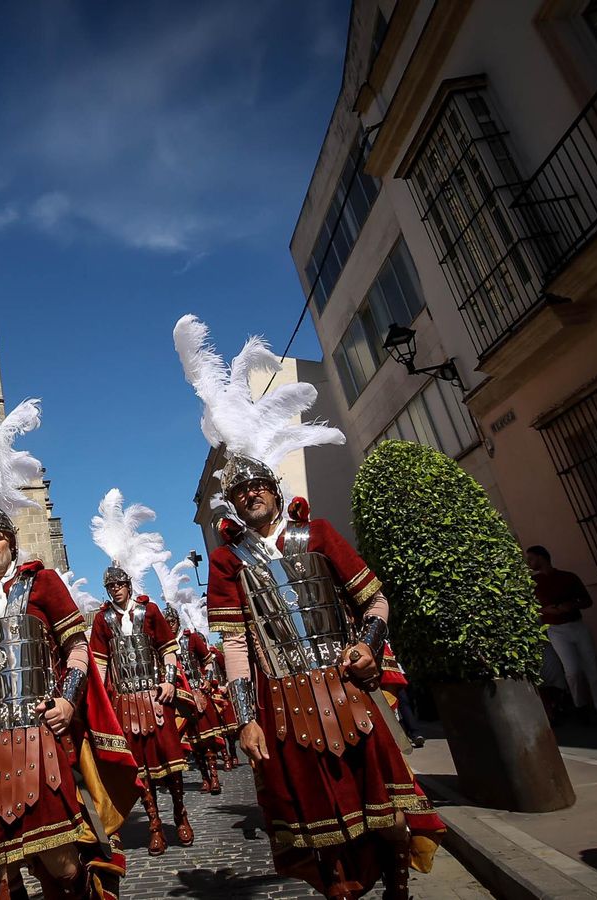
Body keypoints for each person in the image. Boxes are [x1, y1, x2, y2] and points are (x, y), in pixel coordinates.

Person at [175, 314, 443, 899]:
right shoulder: (225, 562)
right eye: (241, 492)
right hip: (283, 698)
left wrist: (368, 647)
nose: (251, 496)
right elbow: (238, 647)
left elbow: (374, 599)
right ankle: (341, 889)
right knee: (317, 821)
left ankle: (398, 888)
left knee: (384, 805)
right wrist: (246, 718)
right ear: (235, 503)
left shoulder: (317, 533)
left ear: (272, 489)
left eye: (258, 488)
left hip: (345, 683)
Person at [0, 375, 132, 900]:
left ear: (11, 540)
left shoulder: (42, 582)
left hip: (38, 735)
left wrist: (68, 702)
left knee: (62, 865)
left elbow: (76, 649)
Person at [89, 557, 192, 856]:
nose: (116, 589)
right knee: (141, 770)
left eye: (120, 584)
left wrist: (170, 681)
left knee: (171, 765)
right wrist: (102, 700)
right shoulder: (102, 620)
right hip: (125, 702)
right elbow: (100, 661)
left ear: (129, 585)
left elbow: (167, 648)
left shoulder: (150, 611)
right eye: (110, 586)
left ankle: (180, 814)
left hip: (155, 697)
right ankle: (155, 826)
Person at [526, 545, 597, 725]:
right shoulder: (533, 583)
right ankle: (580, 705)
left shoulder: (568, 577)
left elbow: (587, 601)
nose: (528, 563)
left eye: (531, 558)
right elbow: (529, 608)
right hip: (555, 629)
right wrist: (545, 610)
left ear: (541, 558)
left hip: (576, 625)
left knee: (592, 668)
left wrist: (571, 605)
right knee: (572, 670)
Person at [162, 605, 221, 796]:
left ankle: (214, 777)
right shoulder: (164, 645)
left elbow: (208, 661)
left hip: (197, 693)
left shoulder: (192, 639)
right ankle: (204, 777)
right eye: (166, 623)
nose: (169, 626)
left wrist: (207, 679)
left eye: (171, 622)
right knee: (193, 742)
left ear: (177, 622)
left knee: (207, 738)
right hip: (179, 697)